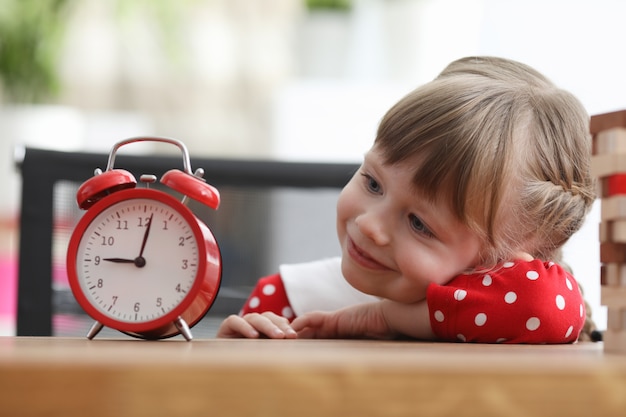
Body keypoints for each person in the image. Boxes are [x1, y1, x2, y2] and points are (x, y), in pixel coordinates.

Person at [217, 56, 597, 343]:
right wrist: (225, 369)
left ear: (495, 262)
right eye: (372, 183)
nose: (369, 224)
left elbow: (541, 303)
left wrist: (383, 317)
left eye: (419, 223)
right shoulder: (289, 297)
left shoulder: (516, 321)